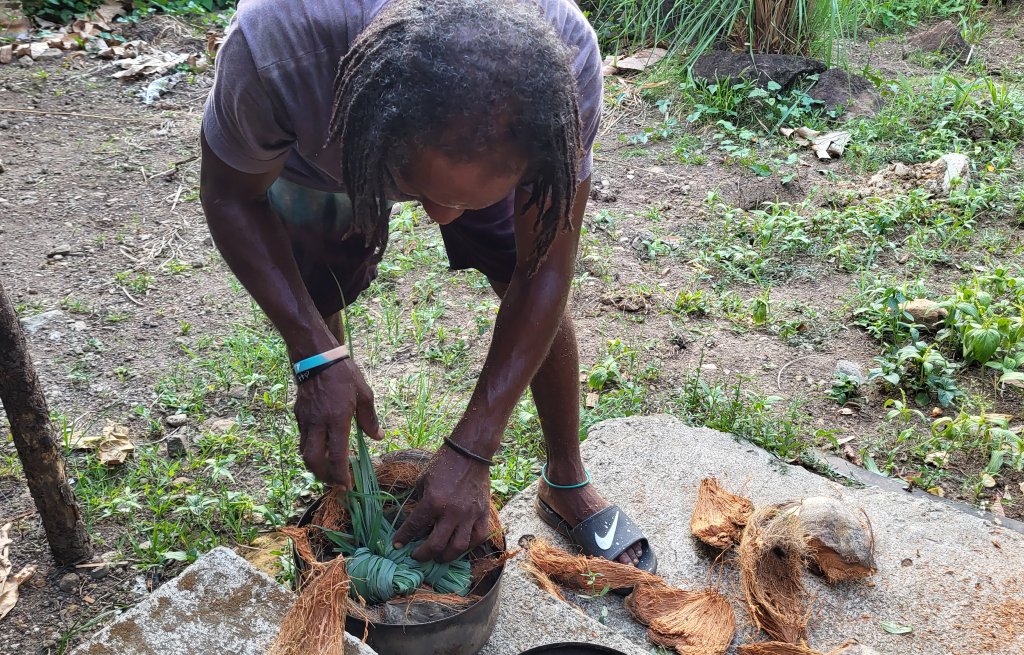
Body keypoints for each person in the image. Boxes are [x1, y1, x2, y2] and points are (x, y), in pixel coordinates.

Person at [199, 0, 655, 571]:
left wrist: (475, 445)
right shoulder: (279, 49)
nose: (441, 217)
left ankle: (565, 477)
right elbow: (230, 194)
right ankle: (347, 463)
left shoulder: (562, 67)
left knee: (524, 267)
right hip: (315, 157)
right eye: (416, 186)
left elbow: (546, 269)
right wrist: (313, 354)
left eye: (463, 201)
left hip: (492, 159)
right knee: (314, 291)